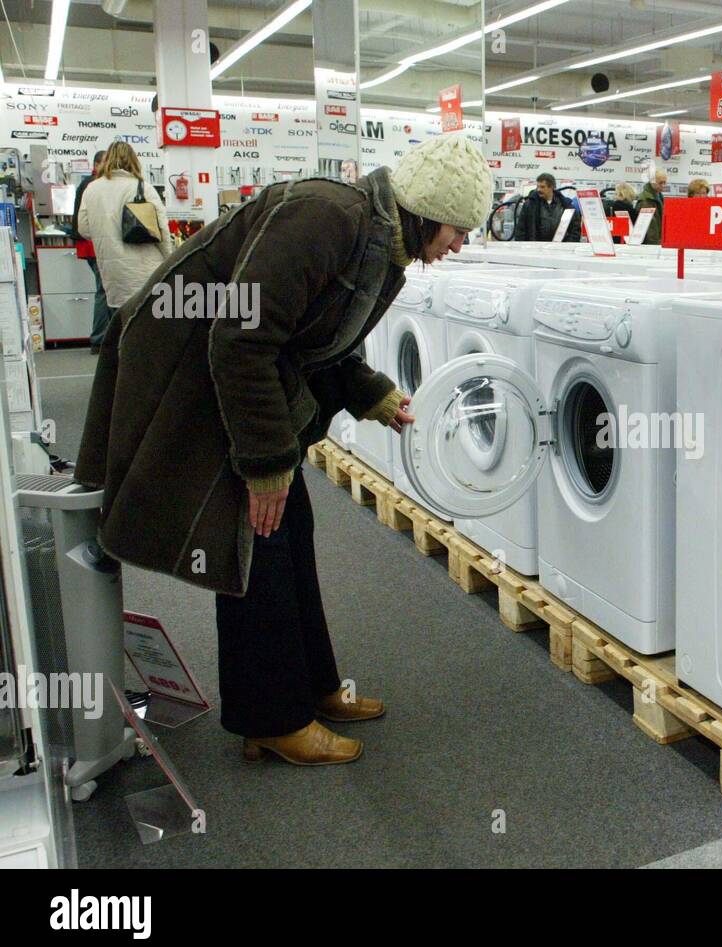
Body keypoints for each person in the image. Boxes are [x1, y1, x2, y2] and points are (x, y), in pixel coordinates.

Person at [74, 135, 494, 767]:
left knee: (289, 525)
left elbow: (313, 340)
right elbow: (242, 340)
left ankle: (314, 687)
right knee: (253, 541)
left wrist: (370, 393)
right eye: (459, 229)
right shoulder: (327, 217)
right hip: (189, 368)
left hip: (243, 376)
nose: (460, 245)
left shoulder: (382, 242)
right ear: (430, 209)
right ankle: (271, 719)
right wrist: (265, 463)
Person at [76, 142, 172, 318]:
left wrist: (106, 233)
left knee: (119, 324)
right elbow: (162, 231)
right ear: (133, 160)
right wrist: (171, 260)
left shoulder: (92, 189)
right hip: (145, 270)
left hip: (112, 272)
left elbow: (83, 228)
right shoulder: (142, 187)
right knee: (147, 327)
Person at [71, 150, 111, 353]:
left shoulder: (88, 184)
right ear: (98, 164)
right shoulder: (93, 184)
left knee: (104, 291)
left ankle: (103, 337)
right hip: (94, 244)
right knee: (104, 291)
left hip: (90, 244)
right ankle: (99, 339)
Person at [514, 172, 578, 242]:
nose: (538, 190)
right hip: (536, 248)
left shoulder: (565, 205)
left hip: (559, 249)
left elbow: (575, 230)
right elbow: (520, 229)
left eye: (542, 187)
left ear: (551, 187)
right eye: (538, 187)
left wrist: (568, 245)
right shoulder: (530, 205)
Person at [637, 169, 669, 246]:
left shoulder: (658, 196)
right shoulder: (646, 200)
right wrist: (656, 245)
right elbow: (650, 229)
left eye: (665, 182)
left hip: (658, 242)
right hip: (651, 245)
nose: (663, 185)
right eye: (660, 183)